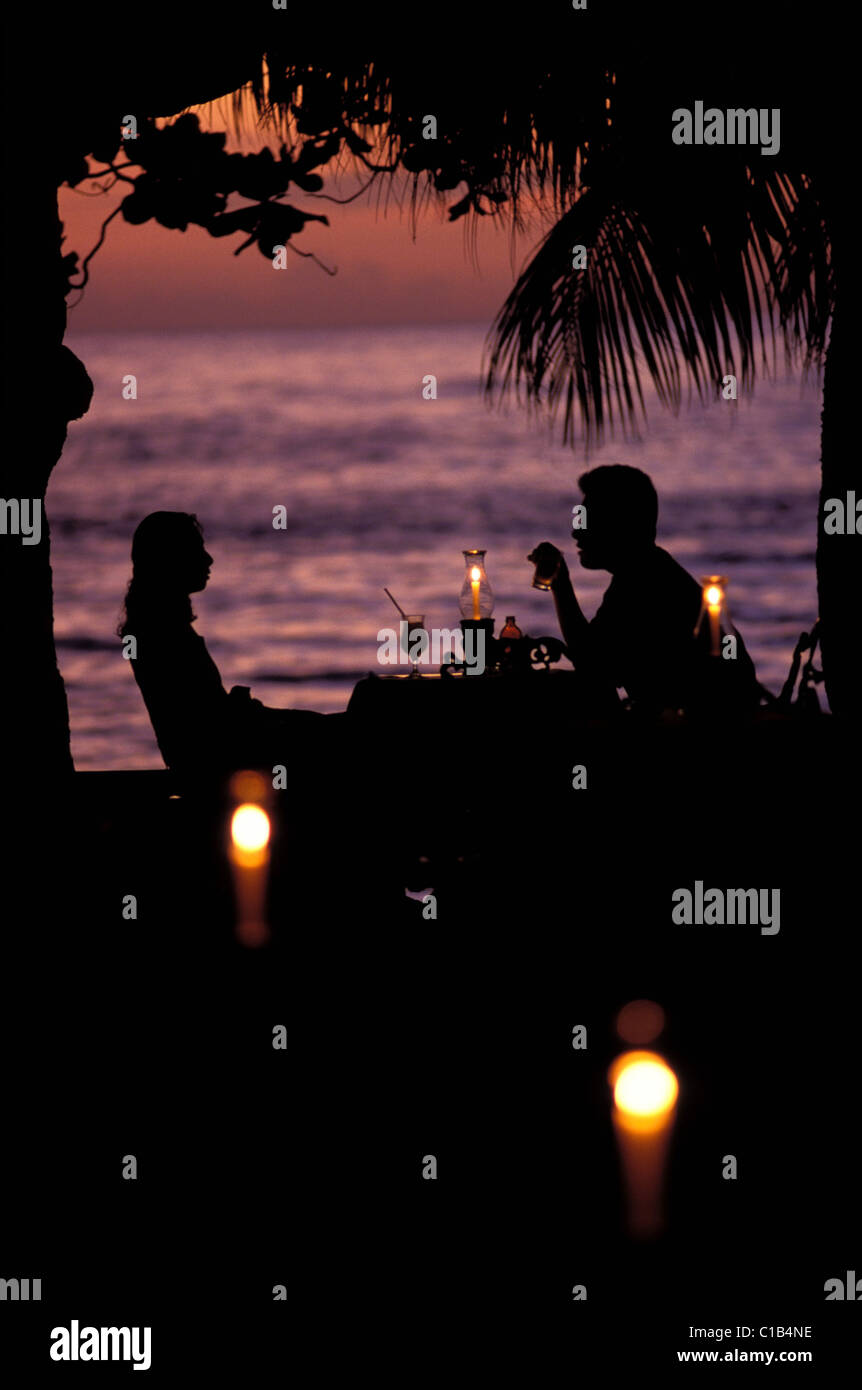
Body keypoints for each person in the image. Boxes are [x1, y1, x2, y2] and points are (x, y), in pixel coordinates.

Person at [529, 465, 761, 716]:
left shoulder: (644, 582)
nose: (576, 531)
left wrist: (560, 584)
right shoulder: (646, 571)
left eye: (587, 519)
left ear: (619, 524)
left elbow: (590, 660)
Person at [118, 511, 323, 778]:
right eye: (195, 549)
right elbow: (205, 725)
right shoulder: (163, 634)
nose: (208, 559)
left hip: (219, 751)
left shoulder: (161, 628)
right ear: (171, 559)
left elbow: (208, 714)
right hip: (217, 760)